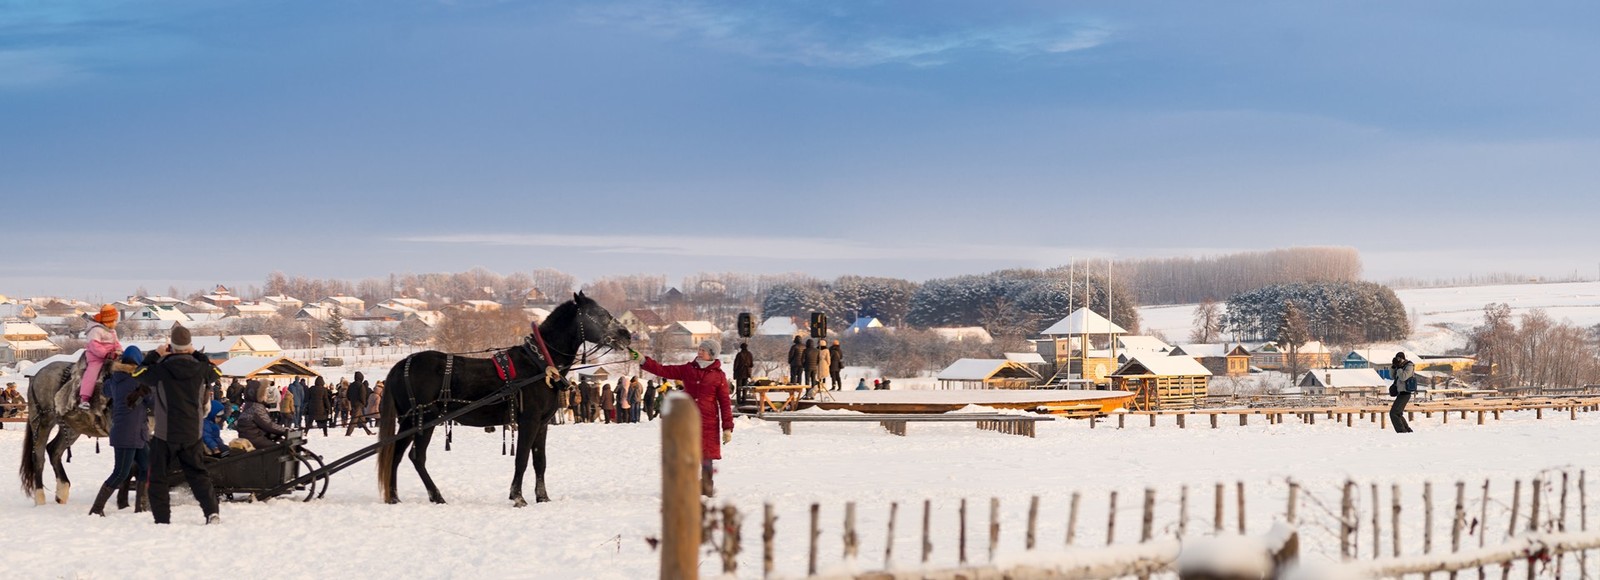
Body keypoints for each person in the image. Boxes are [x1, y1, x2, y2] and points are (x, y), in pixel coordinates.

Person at [130, 323, 221, 525]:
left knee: (158, 478)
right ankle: (211, 512)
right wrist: (196, 353)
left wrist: (155, 354)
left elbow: (137, 373)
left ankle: (162, 519)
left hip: (165, 433)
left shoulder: (160, 370)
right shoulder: (202, 369)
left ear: (171, 345)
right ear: (189, 345)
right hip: (192, 433)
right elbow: (218, 372)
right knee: (198, 475)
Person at [634, 340, 733, 497]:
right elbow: (663, 370)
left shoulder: (719, 376)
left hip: (708, 421)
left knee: (706, 457)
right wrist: (644, 361)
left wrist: (727, 427)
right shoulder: (688, 369)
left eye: (704, 350)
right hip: (688, 418)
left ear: (712, 354)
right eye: (699, 349)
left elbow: (725, 402)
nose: (699, 352)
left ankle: (706, 486)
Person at [90, 346, 152, 516]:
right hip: (128, 435)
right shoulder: (139, 381)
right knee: (120, 473)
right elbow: (153, 403)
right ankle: (96, 509)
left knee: (146, 466)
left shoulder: (115, 380)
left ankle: (141, 506)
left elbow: (105, 389)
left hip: (136, 433)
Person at [78, 304, 123, 409]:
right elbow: (94, 346)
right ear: (108, 321)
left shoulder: (112, 331)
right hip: (97, 358)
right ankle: (84, 398)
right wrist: (106, 354)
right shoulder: (95, 330)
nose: (116, 323)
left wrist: (120, 351)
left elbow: (116, 343)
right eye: (114, 321)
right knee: (92, 374)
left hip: (111, 357)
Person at [236, 380, 290, 450]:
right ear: (258, 395)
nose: (265, 395)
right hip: (255, 439)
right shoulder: (256, 407)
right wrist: (285, 430)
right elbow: (268, 425)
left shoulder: (249, 404)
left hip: (250, 436)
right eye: (263, 393)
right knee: (277, 449)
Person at [1389, 352, 1417, 433]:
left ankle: (1401, 431)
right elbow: (1392, 376)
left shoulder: (1409, 366)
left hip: (1406, 393)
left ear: (1403, 359)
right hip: (1400, 393)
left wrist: (1400, 367)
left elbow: (1403, 377)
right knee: (1398, 413)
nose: (1398, 360)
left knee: (1393, 413)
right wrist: (1394, 367)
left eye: (1399, 359)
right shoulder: (1399, 367)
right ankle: (1407, 430)